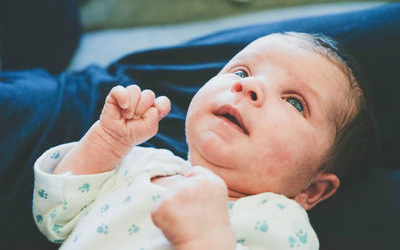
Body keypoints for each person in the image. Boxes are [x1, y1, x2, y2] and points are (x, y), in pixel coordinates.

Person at [32, 32, 374, 249]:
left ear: (312, 191)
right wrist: (105, 142)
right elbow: (56, 217)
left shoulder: (278, 222)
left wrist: (204, 238)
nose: (248, 86)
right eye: (241, 72)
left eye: (294, 101)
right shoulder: (143, 163)